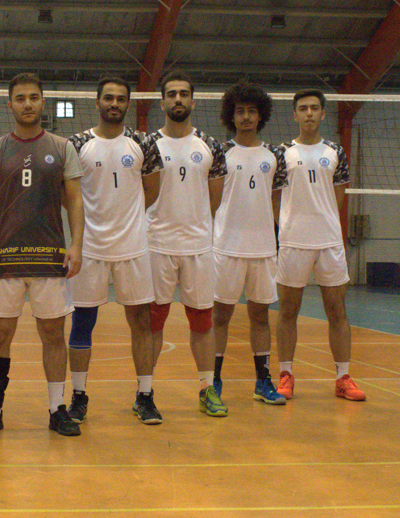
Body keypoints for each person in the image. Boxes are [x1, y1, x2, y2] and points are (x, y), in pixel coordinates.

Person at [0, 72, 85, 437]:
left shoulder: (62, 147)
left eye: (33, 97)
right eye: (20, 98)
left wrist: (77, 244)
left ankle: (57, 409)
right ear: (10, 104)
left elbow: (74, 200)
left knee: (53, 334)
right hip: (3, 258)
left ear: (42, 102)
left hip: (49, 258)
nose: (27, 104)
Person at [66, 77, 163, 424]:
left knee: (141, 322)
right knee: (82, 322)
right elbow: (69, 196)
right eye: (108, 98)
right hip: (90, 248)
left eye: (121, 99)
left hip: (133, 247)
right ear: (97, 102)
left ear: (128, 104)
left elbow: (152, 191)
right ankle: (79, 396)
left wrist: (128, 221)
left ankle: (145, 395)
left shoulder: (142, 143)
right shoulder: (78, 144)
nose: (114, 104)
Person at [145, 72, 229, 417]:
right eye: (171, 94)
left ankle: (207, 389)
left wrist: (195, 226)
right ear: (162, 101)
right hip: (157, 245)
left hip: (197, 247)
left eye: (183, 94)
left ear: (192, 101)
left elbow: (214, 200)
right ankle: (144, 393)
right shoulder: (148, 145)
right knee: (152, 323)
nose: (177, 99)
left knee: (203, 322)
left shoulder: (210, 146)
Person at [274, 89, 366, 401]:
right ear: (295, 114)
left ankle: (343, 378)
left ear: (323, 114)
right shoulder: (282, 153)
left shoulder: (335, 151)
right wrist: (288, 224)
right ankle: (285, 375)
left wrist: (322, 219)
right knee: (288, 309)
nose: (309, 113)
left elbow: (338, 195)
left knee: (337, 309)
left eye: (314, 108)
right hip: (293, 241)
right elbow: (274, 196)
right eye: (303, 108)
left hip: (329, 241)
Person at [211, 82, 288, 406]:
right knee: (220, 316)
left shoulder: (275, 156)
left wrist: (281, 238)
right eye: (240, 111)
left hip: (263, 249)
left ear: (261, 116)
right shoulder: (220, 153)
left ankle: (263, 381)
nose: (246, 117)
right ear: (231, 116)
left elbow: (277, 202)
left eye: (251, 111)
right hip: (226, 247)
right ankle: (213, 381)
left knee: (260, 317)